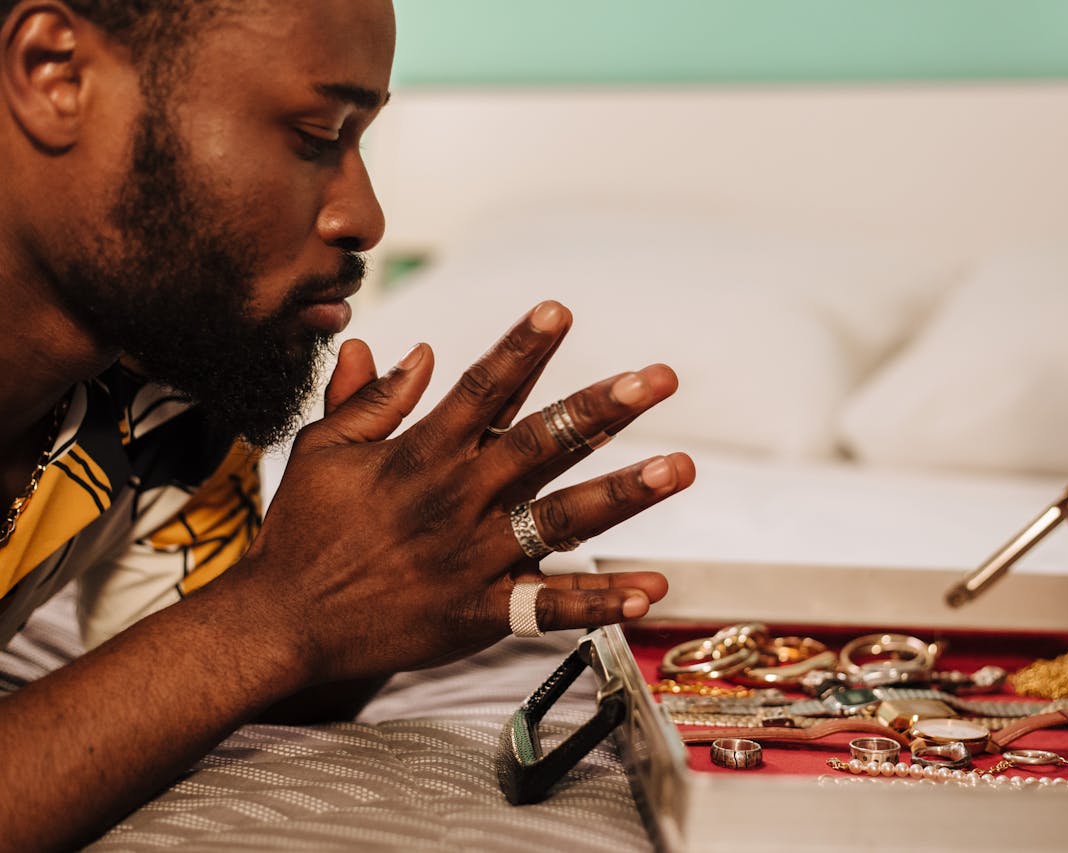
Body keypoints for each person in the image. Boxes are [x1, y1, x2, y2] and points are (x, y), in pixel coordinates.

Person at [0, 1, 695, 848]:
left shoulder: (173, 390)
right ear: (56, 74)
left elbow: (176, 681)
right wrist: (282, 608)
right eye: (315, 133)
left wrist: (391, 570)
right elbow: (249, 630)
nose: (364, 217)